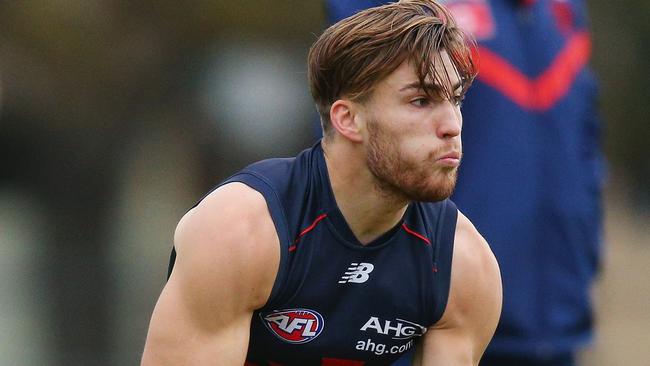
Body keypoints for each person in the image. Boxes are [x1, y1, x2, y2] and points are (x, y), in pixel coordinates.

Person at [141, 1, 502, 365]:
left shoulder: (463, 264)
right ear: (347, 119)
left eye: (455, 99)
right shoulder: (241, 230)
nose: (452, 125)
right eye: (421, 100)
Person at [325, 1, 605, 366]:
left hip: (553, 326)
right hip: (429, 314)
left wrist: (586, 251)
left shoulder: (562, 12)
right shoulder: (406, 9)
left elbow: (583, 146)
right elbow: (360, 141)